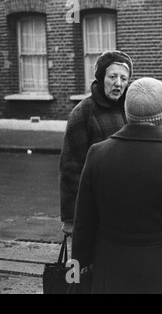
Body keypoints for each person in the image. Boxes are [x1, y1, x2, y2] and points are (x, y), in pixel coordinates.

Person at [71, 78, 162, 294]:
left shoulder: (97, 153)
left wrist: (80, 261)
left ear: (127, 112)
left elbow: (84, 219)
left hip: (111, 262)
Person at [59, 50, 133, 236]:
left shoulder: (131, 110)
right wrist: (70, 217)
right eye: (112, 77)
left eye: (124, 78)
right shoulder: (83, 112)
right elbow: (71, 167)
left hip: (127, 205)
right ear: (101, 78)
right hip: (95, 207)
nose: (118, 83)